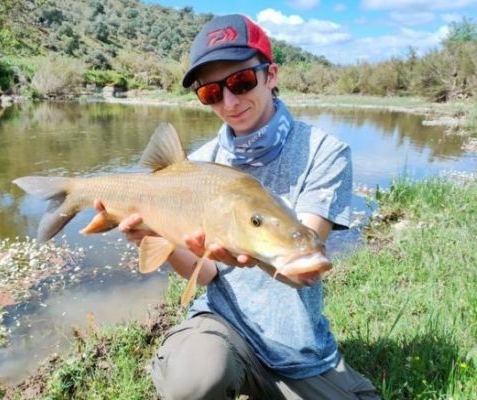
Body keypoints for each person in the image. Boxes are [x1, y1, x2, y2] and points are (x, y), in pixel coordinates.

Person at [97, 14, 379, 400]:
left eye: (241, 82)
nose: (230, 102)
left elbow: (302, 267)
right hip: (225, 326)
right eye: (211, 93)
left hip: (298, 349)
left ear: (271, 75)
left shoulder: (323, 152)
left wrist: (256, 252)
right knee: (191, 382)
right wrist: (152, 235)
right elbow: (207, 272)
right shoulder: (197, 167)